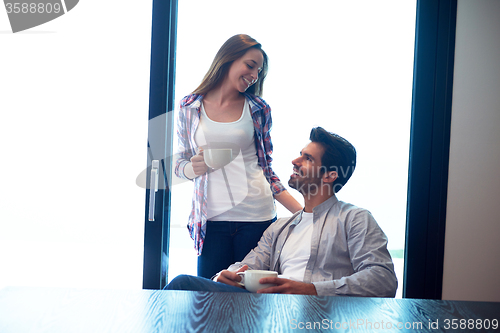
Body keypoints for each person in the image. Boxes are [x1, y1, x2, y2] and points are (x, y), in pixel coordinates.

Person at [167, 127, 398, 297]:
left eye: (307, 158)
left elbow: (383, 279)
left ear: (330, 175)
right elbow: (248, 265)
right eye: (300, 154)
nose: (295, 161)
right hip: (271, 310)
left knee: (181, 284)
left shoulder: (355, 219)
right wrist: (226, 276)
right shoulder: (280, 227)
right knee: (186, 289)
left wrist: (311, 290)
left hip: (321, 315)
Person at [174, 34, 302, 279]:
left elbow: (266, 168)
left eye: (259, 71)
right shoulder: (189, 106)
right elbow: (180, 164)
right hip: (211, 220)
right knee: (209, 298)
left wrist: (304, 213)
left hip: (257, 216)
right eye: (250, 65)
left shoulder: (258, 109)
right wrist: (191, 169)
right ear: (228, 59)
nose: (254, 75)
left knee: (253, 302)